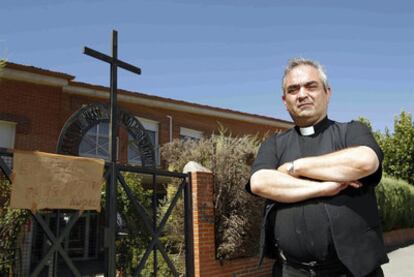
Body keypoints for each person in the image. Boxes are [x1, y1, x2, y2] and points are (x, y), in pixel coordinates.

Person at [247, 58, 388, 277]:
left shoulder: (351, 131)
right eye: (293, 90)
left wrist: (296, 167)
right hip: (291, 271)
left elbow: (365, 161)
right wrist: (324, 188)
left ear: (327, 92)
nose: (302, 94)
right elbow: (260, 182)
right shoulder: (274, 144)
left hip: (353, 271)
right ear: (285, 100)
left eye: (311, 86)